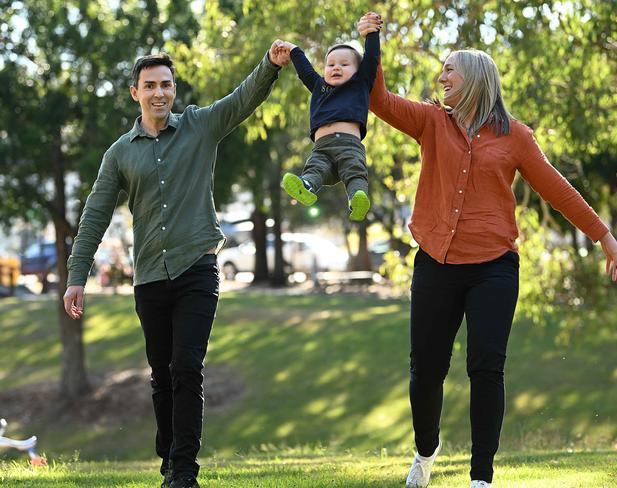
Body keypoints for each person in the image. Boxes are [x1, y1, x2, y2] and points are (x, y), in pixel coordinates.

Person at [357, 12, 617, 488]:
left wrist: (602, 234)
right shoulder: (430, 121)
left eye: (449, 70)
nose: (441, 77)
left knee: (486, 367)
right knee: (426, 369)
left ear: (476, 78)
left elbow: (557, 190)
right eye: (441, 70)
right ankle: (425, 452)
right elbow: (377, 99)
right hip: (436, 262)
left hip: (494, 269)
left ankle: (481, 477)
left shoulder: (515, 136)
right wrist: (372, 41)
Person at [63, 43, 290, 488]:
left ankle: (184, 470)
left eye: (166, 84)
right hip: (149, 277)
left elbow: (243, 98)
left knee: (187, 366)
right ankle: (169, 455)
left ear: (174, 88)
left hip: (197, 271)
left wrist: (269, 65)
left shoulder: (200, 127)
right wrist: (77, 276)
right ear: (135, 93)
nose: (159, 93)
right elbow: (95, 214)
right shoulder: (120, 153)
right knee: (162, 375)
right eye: (150, 86)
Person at [276, 25, 380, 221]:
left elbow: (372, 57)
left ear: (358, 71)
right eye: (330, 65)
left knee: (354, 171)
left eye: (344, 64)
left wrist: (372, 34)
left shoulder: (360, 84)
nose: (336, 68)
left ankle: (357, 199)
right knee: (315, 168)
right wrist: (293, 50)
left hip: (349, 144)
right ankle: (306, 186)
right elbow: (305, 71)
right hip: (321, 147)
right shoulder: (319, 87)